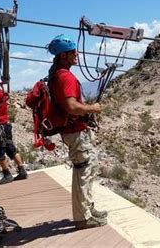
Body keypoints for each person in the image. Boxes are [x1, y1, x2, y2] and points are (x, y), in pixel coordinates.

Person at [47, 34, 107, 229]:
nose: (77, 54)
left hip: (73, 130)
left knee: (88, 170)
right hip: (75, 131)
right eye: (73, 51)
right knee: (83, 172)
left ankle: (88, 208)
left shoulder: (57, 74)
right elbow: (71, 106)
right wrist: (94, 108)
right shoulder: (65, 77)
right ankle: (82, 218)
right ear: (64, 55)